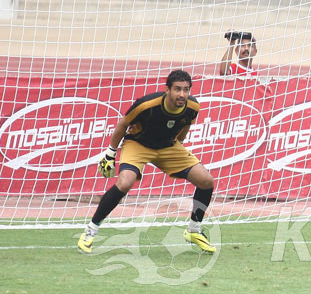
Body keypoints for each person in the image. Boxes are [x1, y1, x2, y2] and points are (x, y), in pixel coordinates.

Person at [77, 69, 216, 254]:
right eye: (177, 89)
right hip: (138, 145)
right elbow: (123, 125)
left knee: (206, 181)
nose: (182, 94)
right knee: (125, 182)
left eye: (186, 89)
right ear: (167, 90)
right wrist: (110, 154)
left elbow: (184, 127)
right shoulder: (146, 104)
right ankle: (90, 230)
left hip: (168, 147)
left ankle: (194, 230)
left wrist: (179, 148)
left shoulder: (193, 106)